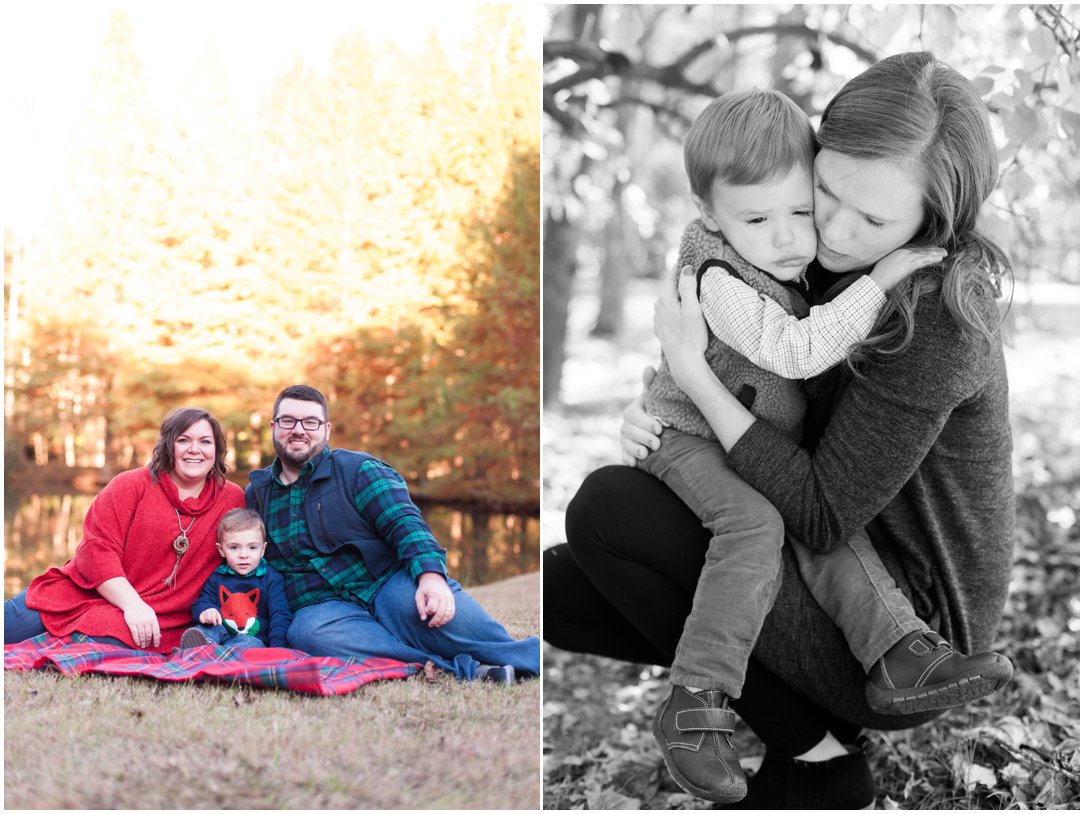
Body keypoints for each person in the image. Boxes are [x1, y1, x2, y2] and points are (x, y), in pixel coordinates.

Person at [544, 51, 1015, 810]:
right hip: (821, 549)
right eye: (825, 191)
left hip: (902, 629)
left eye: (873, 217)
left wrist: (693, 380)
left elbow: (821, 514)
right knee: (564, 591)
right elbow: (758, 362)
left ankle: (821, 757)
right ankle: (799, 714)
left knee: (607, 511)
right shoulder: (812, 255)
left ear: (932, 219)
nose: (830, 226)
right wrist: (663, 409)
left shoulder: (935, 316)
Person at [244, 384, 540, 684]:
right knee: (309, 634)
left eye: (310, 422)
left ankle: (525, 658)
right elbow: (255, 564)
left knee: (442, 617)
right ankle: (455, 668)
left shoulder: (358, 470)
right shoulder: (257, 494)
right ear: (273, 427)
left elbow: (405, 524)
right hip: (321, 608)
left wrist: (431, 577)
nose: (299, 430)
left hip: (386, 582)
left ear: (327, 429)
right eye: (288, 421)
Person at [4, 408, 247, 652]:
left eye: (205, 441)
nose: (195, 449)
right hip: (82, 594)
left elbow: (244, 558)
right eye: (183, 440)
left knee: (100, 639)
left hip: (158, 617)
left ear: (217, 450)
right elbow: (95, 550)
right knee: (10, 625)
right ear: (168, 446)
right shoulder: (131, 484)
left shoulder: (232, 499)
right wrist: (132, 604)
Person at [179, 508, 293, 650]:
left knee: (252, 644)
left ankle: (210, 654)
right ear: (221, 550)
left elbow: (280, 615)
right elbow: (201, 602)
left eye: (252, 547)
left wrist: (278, 647)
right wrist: (206, 610)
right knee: (205, 629)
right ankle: (202, 648)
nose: (243, 555)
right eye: (234, 548)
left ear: (263, 549)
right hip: (221, 635)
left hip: (252, 640)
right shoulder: (218, 576)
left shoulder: (271, 579)